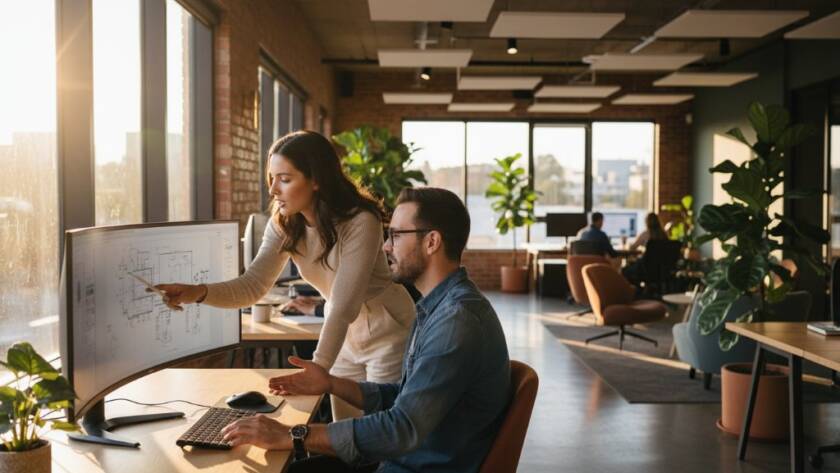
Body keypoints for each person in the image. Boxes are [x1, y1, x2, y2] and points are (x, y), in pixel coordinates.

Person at [220, 187, 511, 473]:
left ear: (432, 242)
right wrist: (331, 384)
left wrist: (291, 434)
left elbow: (401, 428)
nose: (385, 246)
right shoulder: (439, 307)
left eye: (396, 236)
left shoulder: (455, 322)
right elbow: (403, 398)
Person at [155, 130, 416, 420]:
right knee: (347, 435)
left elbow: (345, 305)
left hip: (387, 331)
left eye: (285, 179)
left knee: (380, 430)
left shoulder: (360, 221)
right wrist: (197, 292)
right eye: (272, 178)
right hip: (344, 336)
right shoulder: (284, 224)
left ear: (316, 180)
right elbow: (252, 285)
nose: (273, 189)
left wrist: (317, 368)